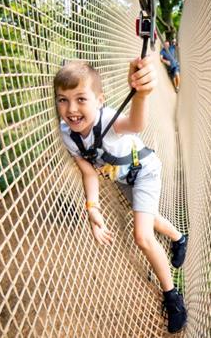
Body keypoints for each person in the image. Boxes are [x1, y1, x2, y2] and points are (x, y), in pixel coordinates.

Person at [54, 59, 188, 333]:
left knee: (142, 235)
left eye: (81, 99)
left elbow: (136, 124)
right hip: (123, 178)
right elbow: (89, 173)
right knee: (147, 217)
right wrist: (92, 207)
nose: (71, 109)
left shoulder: (108, 119)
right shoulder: (69, 135)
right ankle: (178, 237)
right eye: (62, 100)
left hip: (145, 170)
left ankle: (173, 297)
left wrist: (141, 94)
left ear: (99, 100)